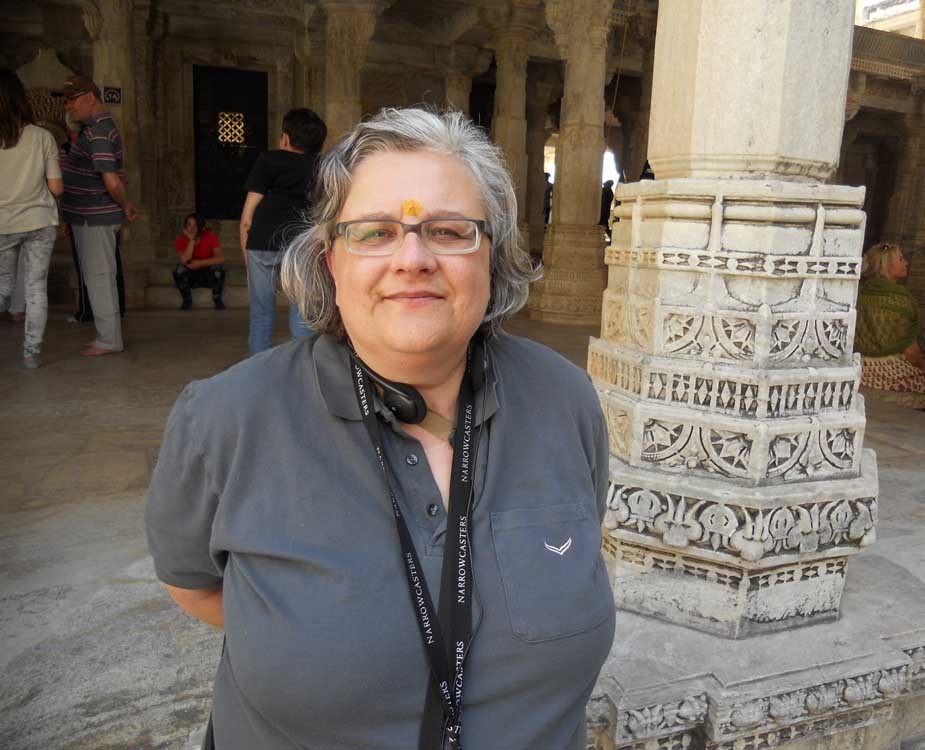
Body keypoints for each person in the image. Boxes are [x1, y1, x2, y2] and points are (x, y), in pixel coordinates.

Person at [146, 108, 615, 750]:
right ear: (330, 260)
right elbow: (193, 585)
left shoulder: (564, 400)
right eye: (375, 233)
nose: (413, 258)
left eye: (448, 231)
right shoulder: (225, 419)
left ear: (494, 256)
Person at [61, 73, 137, 356]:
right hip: (87, 216)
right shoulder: (94, 129)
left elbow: (112, 181)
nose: (68, 105)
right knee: (98, 276)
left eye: (72, 99)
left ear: (90, 97)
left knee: (100, 277)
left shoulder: (99, 132)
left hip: (95, 217)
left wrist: (125, 204)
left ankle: (109, 340)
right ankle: (107, 336)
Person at [240, 107, 327, 355]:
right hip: (301, 244)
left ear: (285, 138)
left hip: (262, 242)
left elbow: (247, 218)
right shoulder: (321, 165)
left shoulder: (268, 160)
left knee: (261, 315)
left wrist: (247, 255)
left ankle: (260, 370)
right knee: (302, 317)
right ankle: (300, 368)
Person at [0, 68, 63, 369]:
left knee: (3, 287)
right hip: (40, 221)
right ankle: (31, 354)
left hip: (4, 224)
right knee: (36, 288)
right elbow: (56, 188)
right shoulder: (42, 137)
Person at [854, 242, 925, 394]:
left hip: (860, 369)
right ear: (886, 266)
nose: (906, 263)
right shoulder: (901, 300)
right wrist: (923, 365)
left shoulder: (859, 295)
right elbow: (910, 352)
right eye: (901, 259)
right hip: (893, 373)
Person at [173, 213, 225, 310]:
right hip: (191, 276)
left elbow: (221, 258)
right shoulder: (180, 240)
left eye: (195, 225)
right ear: (185, 227)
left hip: (208, 275)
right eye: (189, 224)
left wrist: (200, 263)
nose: (192, 228)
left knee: (219, 269)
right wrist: (191, 240)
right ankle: (187, 300)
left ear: (201, 227)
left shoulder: (209, 236)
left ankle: (217, 298)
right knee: (179, 270)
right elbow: (184, 260)